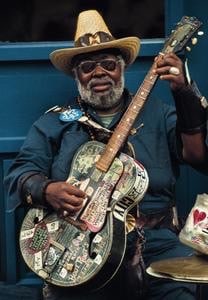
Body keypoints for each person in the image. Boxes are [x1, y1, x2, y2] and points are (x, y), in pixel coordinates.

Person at [4, 9, 208, 300]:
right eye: (88, 67)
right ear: (76, 75)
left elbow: (198, 156)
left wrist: (183, 92)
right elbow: (18, 175)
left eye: (108, 64)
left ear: (122, 67)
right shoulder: (55, 123)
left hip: (157, 244)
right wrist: (47, 189)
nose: (99, 73)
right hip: (79, 248)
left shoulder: (159, 115)